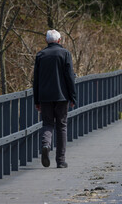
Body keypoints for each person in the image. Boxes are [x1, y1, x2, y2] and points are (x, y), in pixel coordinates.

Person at [33, 29, 77, 168]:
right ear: (59, 40)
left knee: (47, 124)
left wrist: (37, 100)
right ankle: (61, 161)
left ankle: (46, 144)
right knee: (62, 126)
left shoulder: (40, 55)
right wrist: (73, 97)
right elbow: (69, 77)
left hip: (45, 97)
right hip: (61, 96)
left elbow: (36, 80)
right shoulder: (65, 54)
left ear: (46, 40)